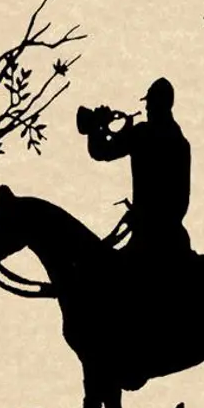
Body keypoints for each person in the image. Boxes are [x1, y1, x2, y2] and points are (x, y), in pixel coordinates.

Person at [77, 77, 193, 268]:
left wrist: (97, 126)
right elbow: (181, 201)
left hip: (147, 237)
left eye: (149, 103)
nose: (146, 108)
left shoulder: (143, 134)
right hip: (174, 236)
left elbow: (101, 151)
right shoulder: (181, 142)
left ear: (157, 104)